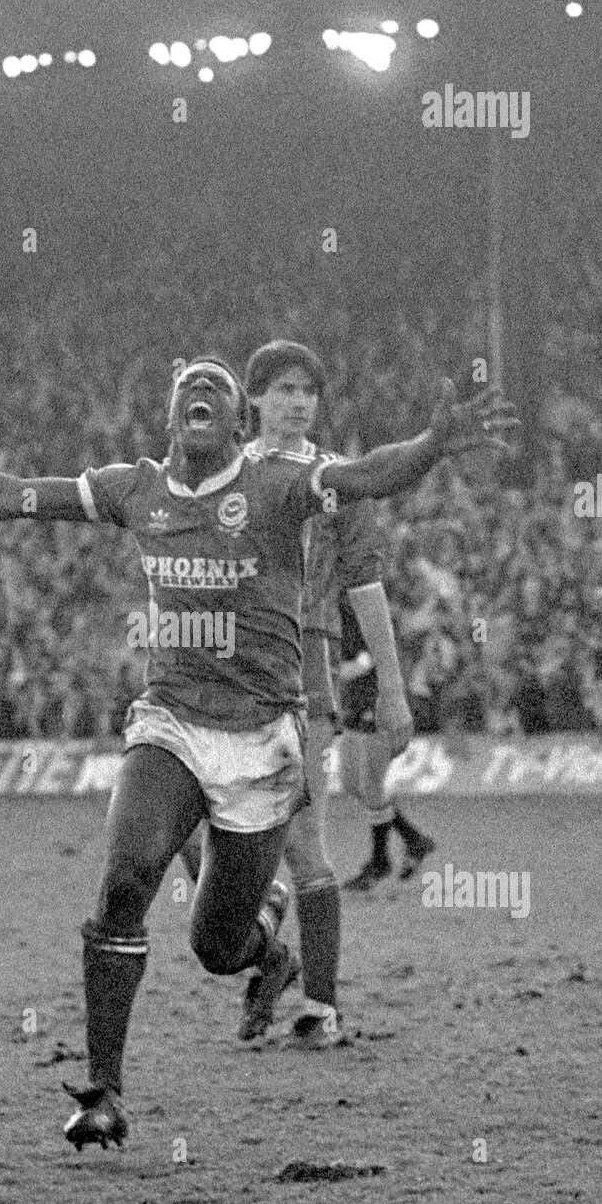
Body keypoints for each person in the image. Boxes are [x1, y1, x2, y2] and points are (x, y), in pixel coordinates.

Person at [0, 358, 516, 1150]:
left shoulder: (278, 485)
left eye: (217, 390)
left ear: (238, 425)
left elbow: (373, 476)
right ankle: (102, 1091)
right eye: (187, 389)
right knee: (126, 876)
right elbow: (11, 495)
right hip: (168, 723)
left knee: (214, 945)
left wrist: (433, 445)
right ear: (171, 419)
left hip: (262, 741)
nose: (200, 393)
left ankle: (266, 958)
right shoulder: (137, 490)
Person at [178, 340, 417, 1049]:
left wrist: (394, 689)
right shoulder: (217, 468)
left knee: (306, 844)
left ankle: (320, 1007)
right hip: (216, 673)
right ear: (251, 399)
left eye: (307, 392)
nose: (296, 402)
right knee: (194, 837)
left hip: (302, 670)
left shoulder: (333, 480)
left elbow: (364, 583)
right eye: (282, 389)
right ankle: (266, 937)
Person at [336, 590, 435, 892]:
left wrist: (332, 672)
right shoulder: (333, 606)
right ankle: (414, 840)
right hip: (354, 702)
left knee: (371, 785)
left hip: (377, 703)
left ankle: (380, 862)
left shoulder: (367, 608)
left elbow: (369, 659)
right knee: (352, 783)